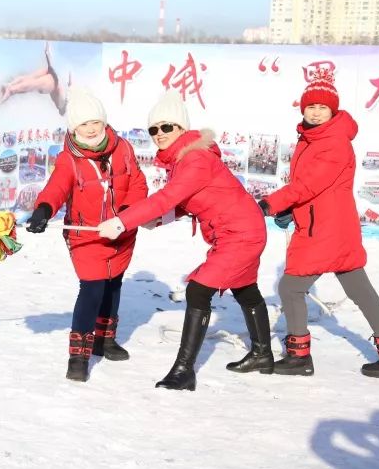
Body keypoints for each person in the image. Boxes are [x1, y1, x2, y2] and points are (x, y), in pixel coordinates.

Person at [96, 92, 269, 391]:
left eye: (167, 127)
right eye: (154, 129)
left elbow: (168, 197)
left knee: (199, 291)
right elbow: (182, 202)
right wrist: (156, 219)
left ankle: (183, 371)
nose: (159, 134)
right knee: (245, 289)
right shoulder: (183, 159)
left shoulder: (195, 159)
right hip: (234, 231)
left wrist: (123, 221)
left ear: (182, 128)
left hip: (240, 234)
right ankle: (263, 355)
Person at [260, 73, 379, 380]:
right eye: (310, 105)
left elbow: (308, 184)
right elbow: (310, 188)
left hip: (325, 230)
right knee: (360, 290)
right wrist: (291, 208)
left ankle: (299, 357)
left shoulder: (335, 142)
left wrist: (271, 203)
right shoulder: (312, 137)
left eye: (322, 107)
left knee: (290, 287)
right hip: (327, 225)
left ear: (333, 111)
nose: (315, 111)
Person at [25, 87, 148, 381]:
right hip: (87, 235)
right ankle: (78, 354)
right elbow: (56, 187)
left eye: (96, 122)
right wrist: (44, 209)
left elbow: (138, 183)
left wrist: (127, 216)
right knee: (92, 288)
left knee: (114, 283)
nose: (91, 129)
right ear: (73, 128)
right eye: (84, 124)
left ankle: (105, 339)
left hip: (122, 231)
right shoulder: (69, 159)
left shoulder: (123, 148)